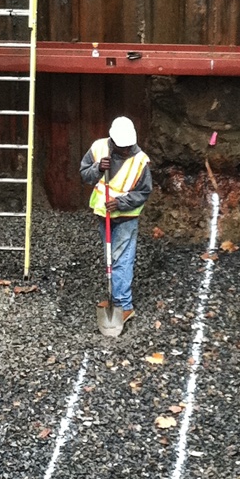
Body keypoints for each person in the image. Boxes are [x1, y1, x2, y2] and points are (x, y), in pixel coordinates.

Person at [79, 116, 152, 326]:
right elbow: (85, 175)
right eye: (122, 147)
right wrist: (98, 169)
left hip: (126, 216)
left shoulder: (140, 160)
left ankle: (123, 305)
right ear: (113, 140)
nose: (126, 151)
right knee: (111, 257)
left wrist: (121, 203)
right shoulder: (99, 148)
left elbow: (144, 191)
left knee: (121, 259)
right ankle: (117, 299)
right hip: (104, 214)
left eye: (129, 147)